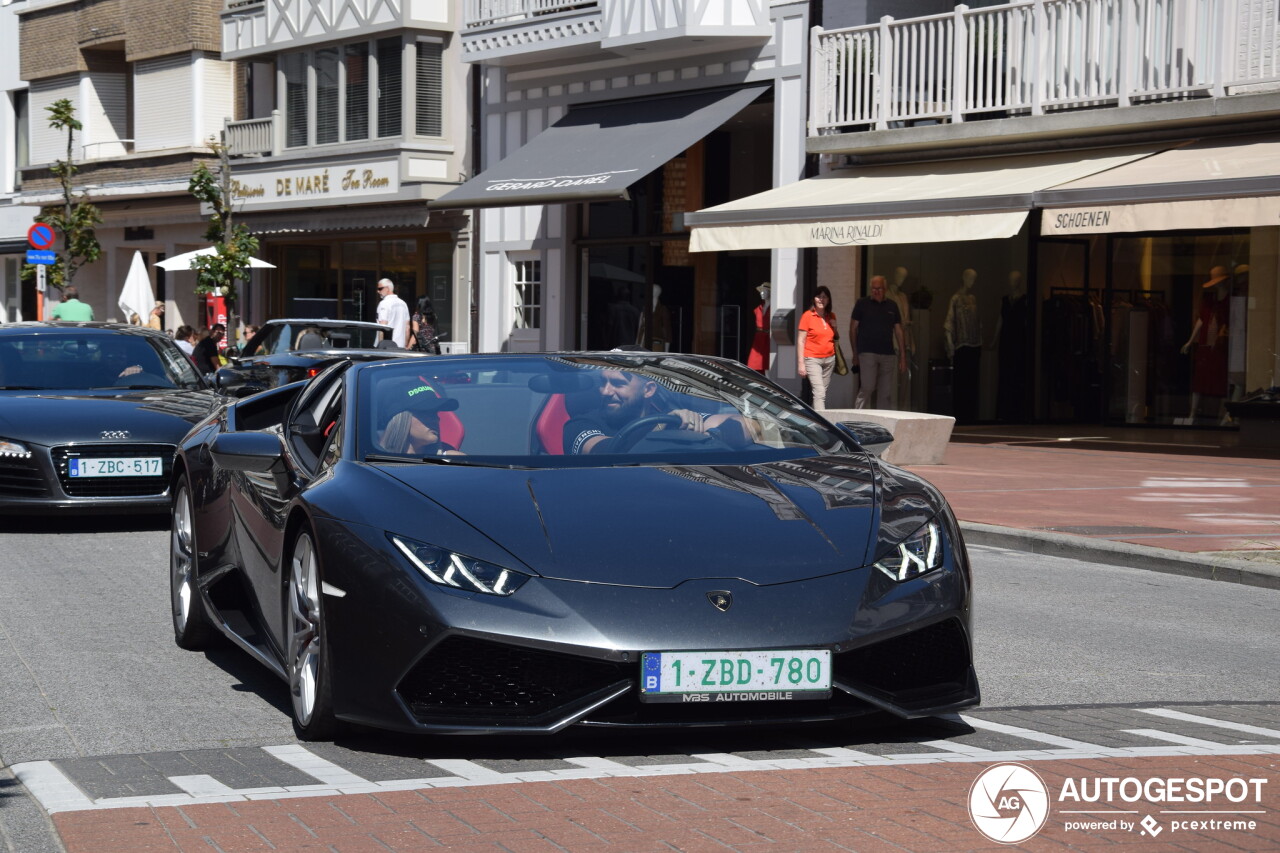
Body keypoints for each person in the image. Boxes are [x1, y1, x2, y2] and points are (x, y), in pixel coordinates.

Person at [564, 368, 744, 455]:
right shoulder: (580, 425)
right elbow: (606, 452)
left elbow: (750, 425)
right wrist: (663, 427)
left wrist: (710, 435)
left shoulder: (673, 417)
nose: (605, 391)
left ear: (648, 390)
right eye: (603, 383)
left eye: (618, 384)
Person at [850, 275, 906, 409]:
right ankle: (858, 418)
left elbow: (899, 331)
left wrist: (903, 357)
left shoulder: (892, 306)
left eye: (879, 288)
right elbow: (852, 329)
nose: (875, 291)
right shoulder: (862, 304)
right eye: (873, 288)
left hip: (888, 353)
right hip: (867, 352)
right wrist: (855, 353)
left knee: (885, 393)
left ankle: (882, 423)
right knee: (867, 387)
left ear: (885, 289)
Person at [378, 380, 464, 457]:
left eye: (435, 413)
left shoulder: (452, 460)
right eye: (425, 412)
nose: (436, 419)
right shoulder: (372, 464)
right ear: (401, 419)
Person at [945, 269, 982, 423]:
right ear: (964, 278)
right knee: (961, 384)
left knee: (972, 384)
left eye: (974, 279)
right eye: (970, 278)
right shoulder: (956, 298)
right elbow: (949, 322)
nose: (972, 282)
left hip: (975, 346)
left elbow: (979, 323)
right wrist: (950, 344)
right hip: (961, 347)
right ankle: (960, 416)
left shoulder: (973, 298)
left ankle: (971, 416)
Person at [796, 286, 838, 410]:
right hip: (812, 359)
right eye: (818, 297)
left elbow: (835, 337)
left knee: (821, 393)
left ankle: (813, 421)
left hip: (829, 360)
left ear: (829, 300)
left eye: (824, 297)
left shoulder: (832, 316)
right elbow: (800, 340)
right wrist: (801, 363)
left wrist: (835, 328)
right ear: (814, 299)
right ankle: (822, 424)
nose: (821, 299)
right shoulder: (807, 316)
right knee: (819, 392)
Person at [375, 278, 410, 348]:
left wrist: (380, 347)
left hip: (387, 346)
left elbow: (383, 327)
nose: (378, 291)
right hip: (401, 346)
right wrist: (405, 345)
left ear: (387, 288)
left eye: (380, 289)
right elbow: (407, 327)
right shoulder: (403, 304)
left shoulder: (384, 304)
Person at [747, 282, 771, 372]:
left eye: (764, 291)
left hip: (769, 338)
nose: (761, 293)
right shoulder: (759, 308)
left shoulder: (773, 307)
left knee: (768, 364)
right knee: (754, 363)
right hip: (759, 338)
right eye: (761, 291)